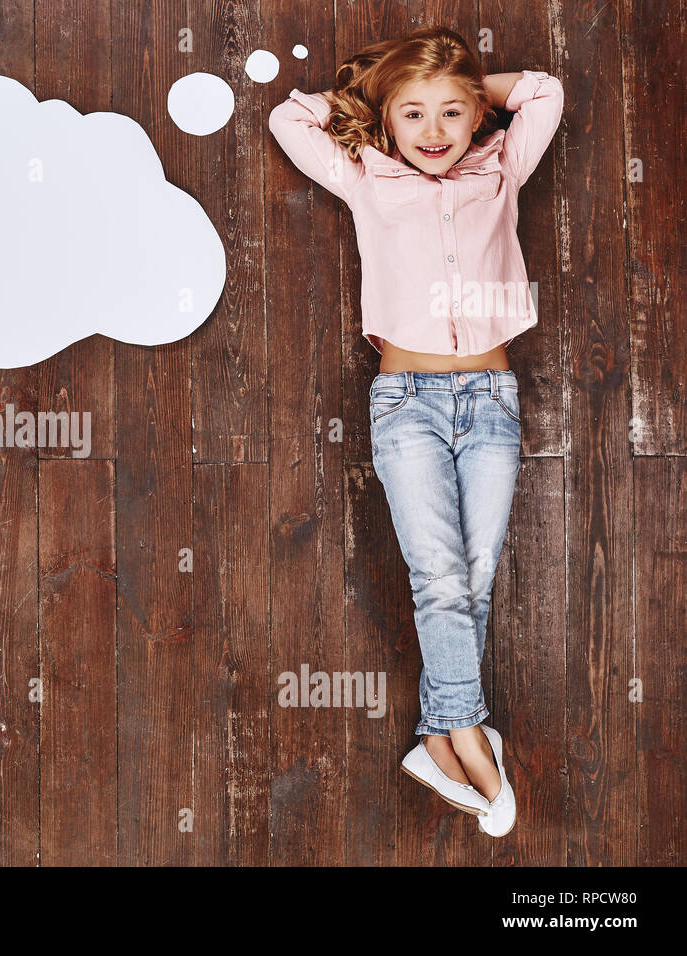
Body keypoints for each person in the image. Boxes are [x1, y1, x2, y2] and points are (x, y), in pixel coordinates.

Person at [268, 26, 563, 837]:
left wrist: (466, 81)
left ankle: (442, 735)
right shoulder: (367, 177)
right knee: (439, 582)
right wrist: (374, 88)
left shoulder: (503, 171)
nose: (433, 132)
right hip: (406, 403)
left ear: (475, 120)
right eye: (413, 114)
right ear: (388, 123)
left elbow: (543, 91)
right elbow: (288, 120)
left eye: (451, 113)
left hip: (493, 400)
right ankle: (462, 731)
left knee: (472, 581)